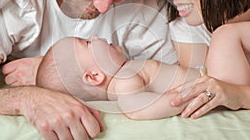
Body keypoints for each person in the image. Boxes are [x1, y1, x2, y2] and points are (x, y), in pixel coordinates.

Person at [0, 0, 177, 139]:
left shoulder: (145, 0)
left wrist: (58, 73)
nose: (103, 7)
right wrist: (28, 97)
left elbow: (179, 78)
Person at [35, 36, 201, 120]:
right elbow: (136, 109)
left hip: (206, 78)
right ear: (94, 76)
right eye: (86, 43)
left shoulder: (124, 72)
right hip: (204, 85)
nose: (93, 37)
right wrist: (191, 97)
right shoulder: (123, 80)